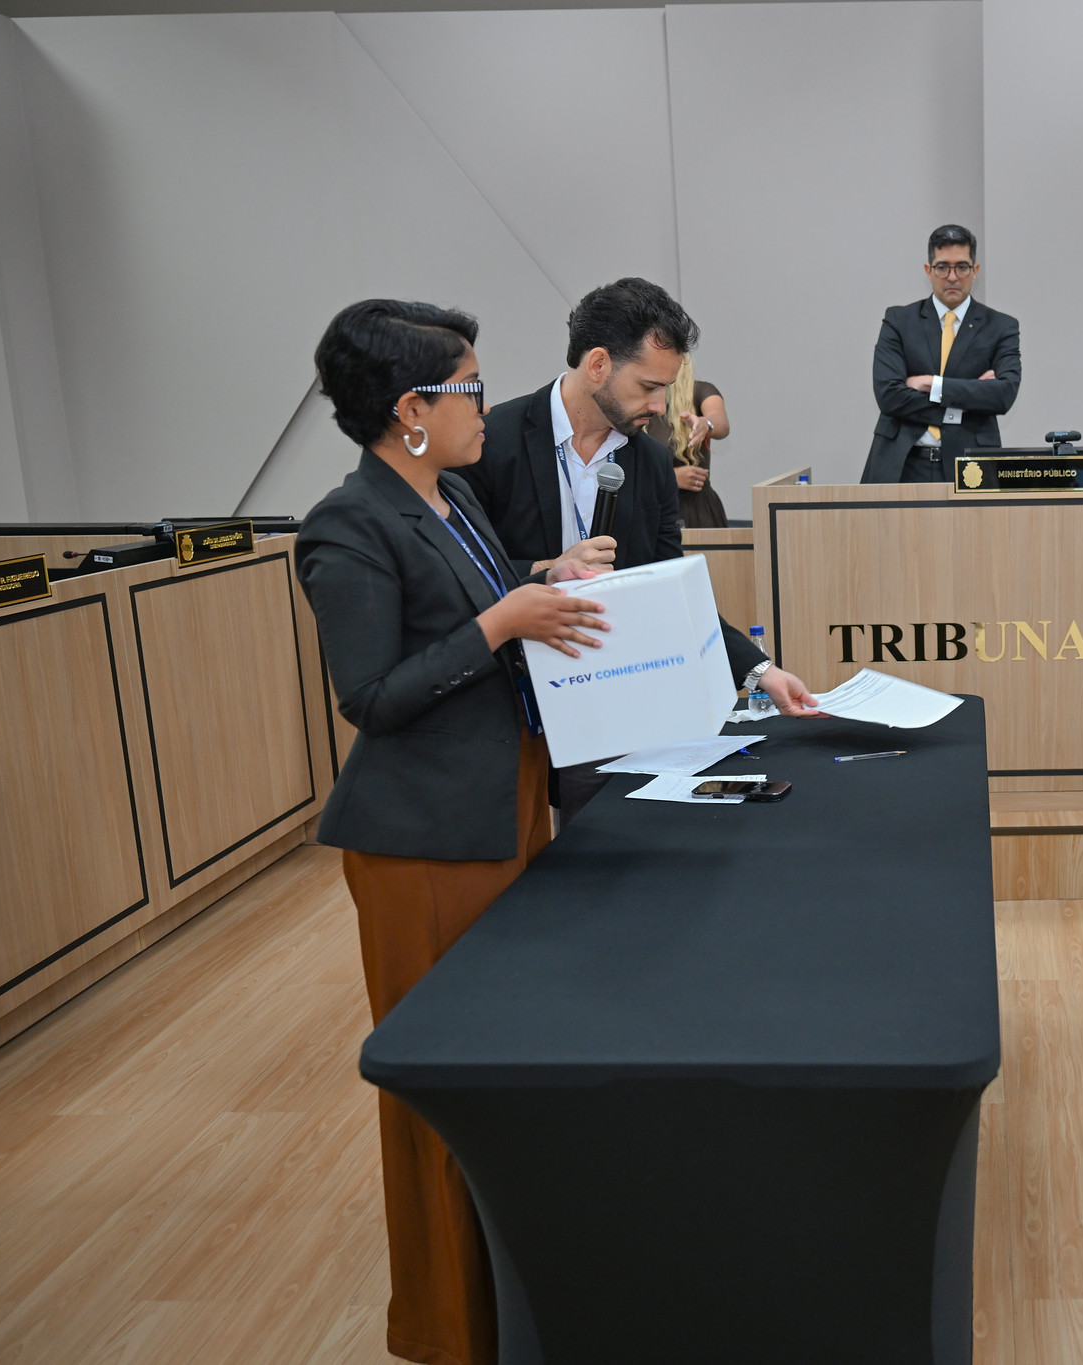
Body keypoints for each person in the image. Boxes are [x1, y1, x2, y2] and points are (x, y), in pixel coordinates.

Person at [297, 299, 614, 1365]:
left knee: (508, 1079)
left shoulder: (454, 497)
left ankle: (513, 1304)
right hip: (423, 842)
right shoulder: (347, 523)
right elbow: (371, 696)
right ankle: (444, 1327)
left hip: (507, 804)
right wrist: (501, 623)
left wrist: (540, 580)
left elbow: (478, 600)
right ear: (410, 410)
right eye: (468, 387)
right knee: (442, 1093)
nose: (486, 405)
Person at [462, 278, 821, 823]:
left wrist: (760, 672)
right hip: (510, 703)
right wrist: (546, 572)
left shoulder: (650, 462)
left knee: (611, 853)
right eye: (650, 386)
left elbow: (674, 588)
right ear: (599, 364)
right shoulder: (493, 442)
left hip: (616, 703)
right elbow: (462, 575)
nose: (661, 406)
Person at [861, 224, 1022, 483]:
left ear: (975, 271)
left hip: (970, 466)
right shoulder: (898, 321)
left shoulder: (1001, 326)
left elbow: (1003, 395)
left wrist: (931, 384)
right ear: (929, 270)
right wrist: (964, 404)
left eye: (962, 267)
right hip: (901, 465)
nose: (952, 276)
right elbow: (888, 396)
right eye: (942, 267)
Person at [643, 356, 730, 529]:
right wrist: (671, 478)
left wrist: (706, 424)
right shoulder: (637, 398)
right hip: (649, 509)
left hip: (695, 512)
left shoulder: (701, 391)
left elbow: (721, 423)